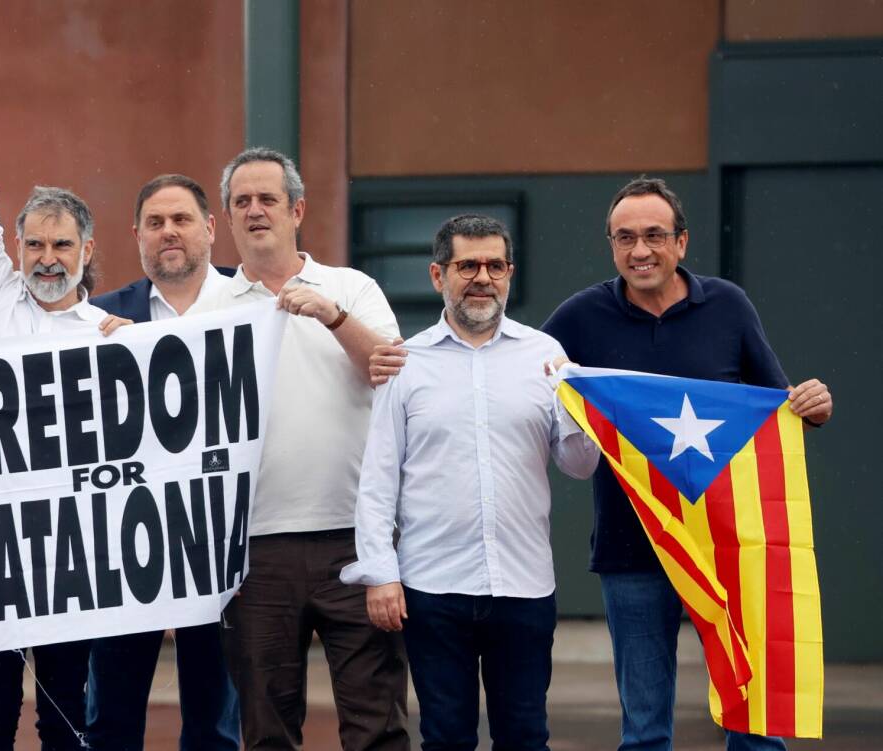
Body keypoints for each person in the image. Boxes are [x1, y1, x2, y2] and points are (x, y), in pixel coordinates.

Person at [370, 176, 833, 751]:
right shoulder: (578, 320)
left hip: (728, 544)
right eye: (625, 238)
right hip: (630, 549)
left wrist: (810, 407)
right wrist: (382, 356)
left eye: (654, 235)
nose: (641, 250)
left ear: (681, 242)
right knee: (644, 730)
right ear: (611, 245)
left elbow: (776, 403)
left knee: (755, 720)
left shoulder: (729, 306)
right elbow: (498, 365)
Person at [0, 18, 129, 750]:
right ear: (15, 248)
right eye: (35, 243)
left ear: (87, 249)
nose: (48, 257)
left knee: (64, 708)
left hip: (74, 548)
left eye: (62, 244)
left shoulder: (113, 335)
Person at [341, 214, 599, 751]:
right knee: (445, 737)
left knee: (525, 736)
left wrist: (579, 406)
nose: (483, 277)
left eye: (495, 266)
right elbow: (378, 478)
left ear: (510, 274)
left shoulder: (546, 357)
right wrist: (379, 574)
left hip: (523, 586)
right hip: (432, 588)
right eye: (468, 266)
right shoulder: (404, 363)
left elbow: (579, 465)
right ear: (438, 274)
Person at [187, 147, 410, 750]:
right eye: (242, 202)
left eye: (269, 199)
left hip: (355, 540)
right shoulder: (205, 310)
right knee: (266, 729)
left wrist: (333, 317)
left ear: (297, 210)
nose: (255, 211)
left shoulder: (350, 287)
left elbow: (391, 372)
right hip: (253, 551)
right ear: (226, 219)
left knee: (377, 724)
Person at [84, 174, 239, 751]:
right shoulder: (96, 318)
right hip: (128, 548)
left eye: (181, 219)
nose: (168, 231)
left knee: (216, 723)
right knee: (111, 720)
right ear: (137, 235)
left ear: (210, 228)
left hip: (222, 548)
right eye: (155, 222)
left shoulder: (252, 304)